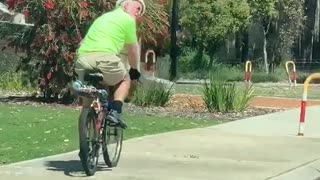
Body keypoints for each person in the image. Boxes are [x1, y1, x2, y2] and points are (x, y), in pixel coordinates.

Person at [74, 0, 146, 126]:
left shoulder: (102, 18)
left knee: (86, 106)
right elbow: (133, 50)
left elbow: (81, 43)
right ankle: (115, 111)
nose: (138, 12)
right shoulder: (128, 20)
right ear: (125, 5)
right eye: (138, 8)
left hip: (83, 59)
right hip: (105, 58)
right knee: (125, 79)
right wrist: (134, 70)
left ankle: (85, 139)